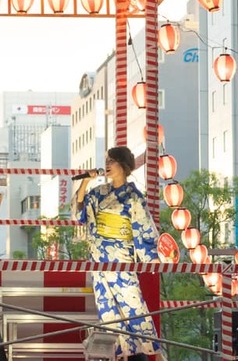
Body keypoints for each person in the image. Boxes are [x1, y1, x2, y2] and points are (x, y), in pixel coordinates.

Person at [73, 146, 161, 361]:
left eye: (112, 161)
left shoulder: (134, 196)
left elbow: (144, 227)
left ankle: (155, 353)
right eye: (107, 161)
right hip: (99, 257)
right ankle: (120, 354)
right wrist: (85, 181)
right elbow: (80, 214)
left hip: (120, 256)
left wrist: (152, 257)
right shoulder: (99, 192)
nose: (108, 165)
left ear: (123, 165)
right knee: (107, 309)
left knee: (133, 305)